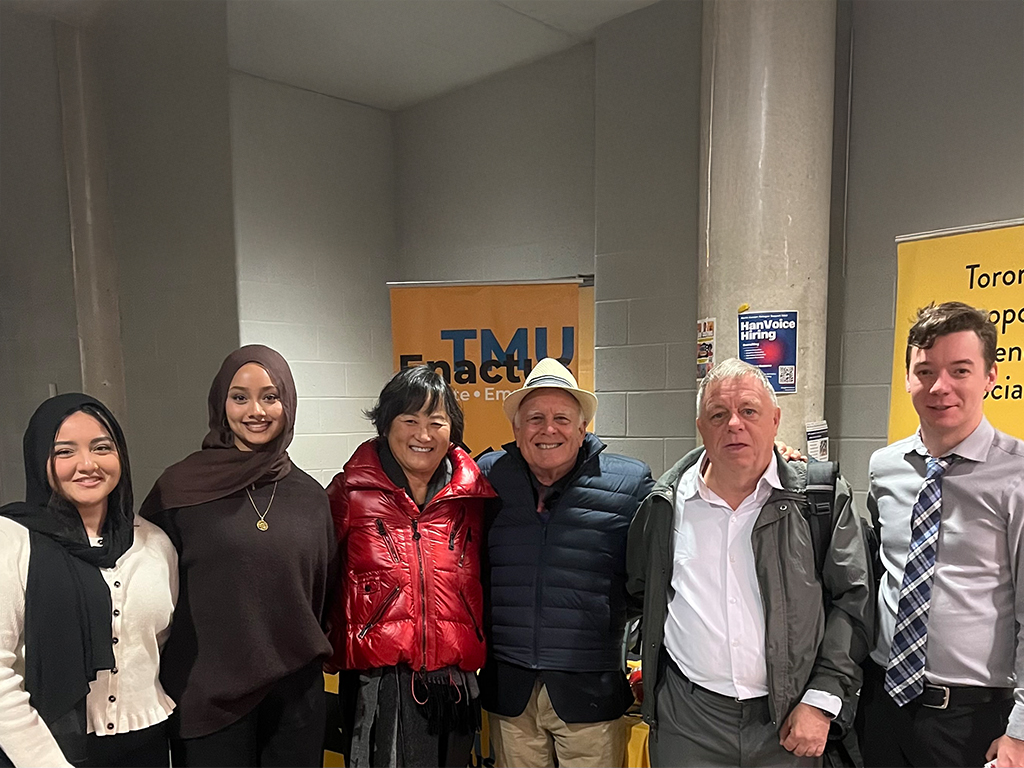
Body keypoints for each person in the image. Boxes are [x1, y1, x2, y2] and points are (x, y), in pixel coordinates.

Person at [627, 358, 873, 767]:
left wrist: (823, 696)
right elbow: (639, 590)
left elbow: (853, 601)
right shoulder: (664, 505)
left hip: (791, 718)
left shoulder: (820, 500)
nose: (734, 424)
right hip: (688, 721)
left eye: (749, 411)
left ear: (775, 421)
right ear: (701, 427)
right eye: (718, 414)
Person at [141, 345, 336, 767]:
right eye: (240, 397)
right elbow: (150, 595)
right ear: (220, 403)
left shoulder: (310, 498)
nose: (256, 410)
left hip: (295, 698)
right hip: (209, 699)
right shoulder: (178, 490)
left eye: (270, 396)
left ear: (288, 402)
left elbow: (321, 591)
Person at [856, 302, 1024, 768]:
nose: (940, 387)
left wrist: (1022, 732)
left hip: (975, 720)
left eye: (960, 370)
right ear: (908, 377)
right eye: (925, 370)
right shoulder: (885, 468)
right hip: (883, 704)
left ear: (990, 375)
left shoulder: (1018, 476)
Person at [476, 357, 654, 768]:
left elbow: (647, 578)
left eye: (561, 418)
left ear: (582, 426)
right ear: (516, 429)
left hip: (590, 693)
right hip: (510, 692)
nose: (548, 429)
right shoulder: (487, 477)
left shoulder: (631, 483)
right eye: (534, 418)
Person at [324, 365, 496, 767]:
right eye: (410, 419)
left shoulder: (473, 500)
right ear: (386, 425)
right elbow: (319, 578)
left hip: (455, 683)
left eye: (436, 422)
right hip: (378, 683)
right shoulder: (348, 494)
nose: (423, 434)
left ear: (452, 431)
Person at [0, 394, 177, 768]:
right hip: (48, 746)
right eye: (65, 451)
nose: (87, 464)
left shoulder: (154, 542)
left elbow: (156, 644)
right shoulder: (12, 541)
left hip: (147, 744)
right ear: (39, 459)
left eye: (101, 448)